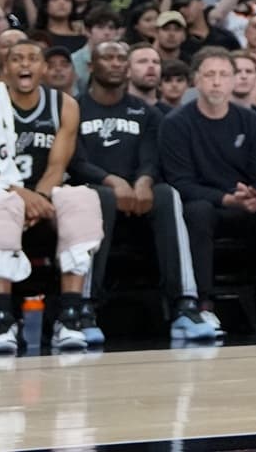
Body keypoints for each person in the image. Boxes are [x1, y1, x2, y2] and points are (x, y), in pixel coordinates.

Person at [0, 38, 105, 354]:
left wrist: (39, 198)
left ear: (43, 68)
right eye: (16, 58)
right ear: (5, 67)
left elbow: (58, 165)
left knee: (82, 200)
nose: (24, 64)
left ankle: (70, 315)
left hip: (45, 190)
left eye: (33, 58)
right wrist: (21, 196)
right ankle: (2, 319)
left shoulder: (64, 105)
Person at [159, 48, 256, 338]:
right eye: (209, 75)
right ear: (196, 81)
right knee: (196, 210)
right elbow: (181, 183)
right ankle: (203, 305)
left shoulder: (251, 121)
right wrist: (227, 199)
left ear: (233, 81)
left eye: (224, 75)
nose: (217, 82)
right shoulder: (176, 124)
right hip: (209, 205)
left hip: (247, 204)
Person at [73, 40, 214, 342]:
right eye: (107, 57)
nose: (115, 63)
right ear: (91, 66)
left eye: (120, 58)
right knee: (98, 196)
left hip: (138, 197)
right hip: (94, 195)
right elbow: (76, 161)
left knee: (168, 194)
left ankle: (185, 303)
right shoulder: (75, 108)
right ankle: (84, 306)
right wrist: (112, 180)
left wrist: (144, 180)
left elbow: (152, 156)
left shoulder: (146, 112)